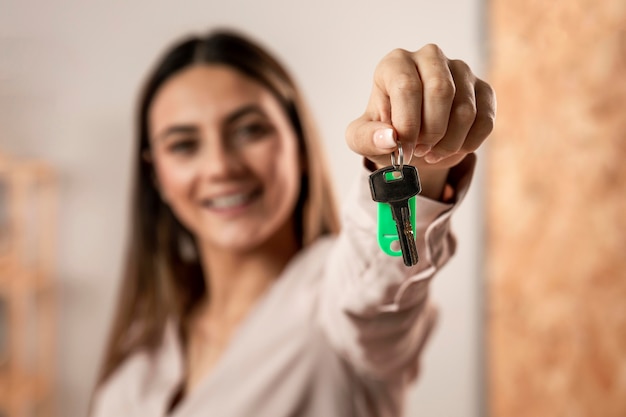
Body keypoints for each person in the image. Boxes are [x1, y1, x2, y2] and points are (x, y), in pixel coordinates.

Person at [89, 29, 495, 417]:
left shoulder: (340, 305)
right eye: (183, 144)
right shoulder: (143, 349)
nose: (220, 167)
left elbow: (381, 286)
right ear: (156, 174)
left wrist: (417, 153)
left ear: (299, 146)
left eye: (249, 130)